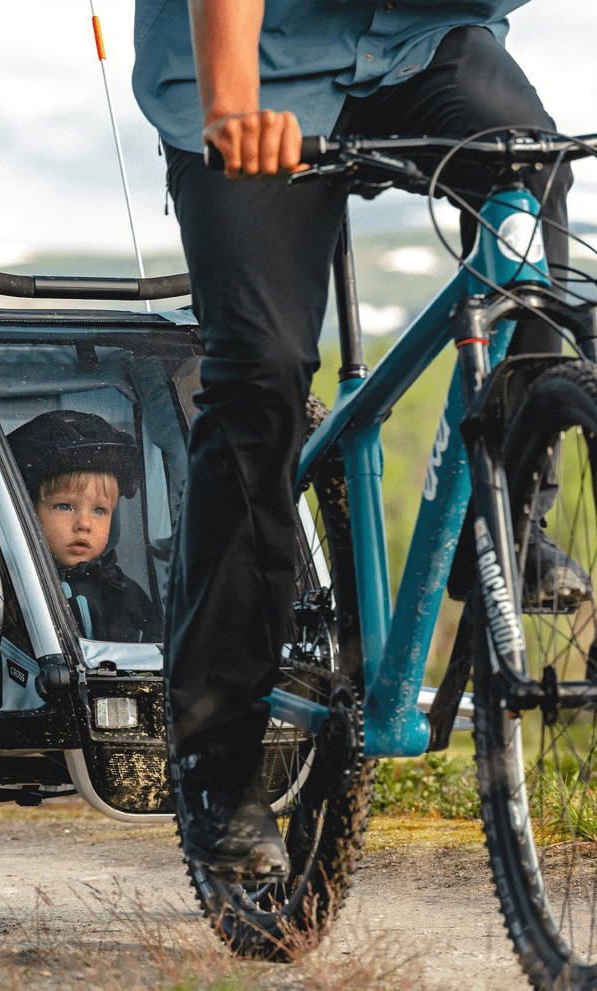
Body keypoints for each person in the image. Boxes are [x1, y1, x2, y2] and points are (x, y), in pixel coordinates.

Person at [132, 0, 582, 882]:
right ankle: (216, 762)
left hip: (421, 49)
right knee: (258, 376)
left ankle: (509, 519)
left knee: (530, 171)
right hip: (249, 66)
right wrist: (231, 106)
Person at [7, 410, 162, 644]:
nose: (84, 524)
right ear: (27, 511)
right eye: (64, 506)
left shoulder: (124, 594)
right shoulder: (11, 593)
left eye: (99, 510)